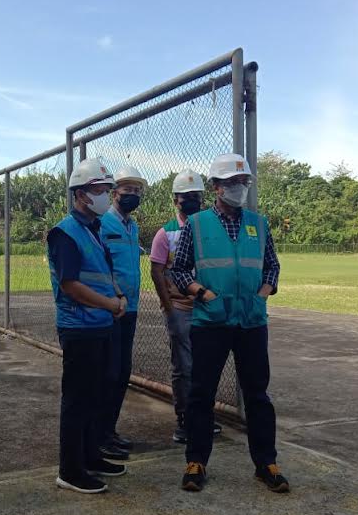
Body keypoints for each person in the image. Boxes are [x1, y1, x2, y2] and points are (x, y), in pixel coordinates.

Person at [170, 153, 288, 494]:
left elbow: (271, 267)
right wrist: (203, 294)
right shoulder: (197, 224)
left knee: (258, 395)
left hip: (251, 321)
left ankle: (266, 462)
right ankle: (196, 462)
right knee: (201, 394)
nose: (240, 188)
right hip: (210, 321)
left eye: (244, 182)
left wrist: (262, 295)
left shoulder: (258, 223)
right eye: (233, 183)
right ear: (216, 187)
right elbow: (178, 270)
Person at [47, 158, 128, 494]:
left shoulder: (92, 230)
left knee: (95, 395)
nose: (106, 196)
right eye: (99, 190)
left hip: (99, 323)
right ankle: (70, 469)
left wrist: (118, 294)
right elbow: (70, 284)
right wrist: (110, 304)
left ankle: (90, 456)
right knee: (78, 399)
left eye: (107, 190)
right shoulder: (65, 233)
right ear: (80, 194)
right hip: (80, 327)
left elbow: (103, 273)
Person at [150, 169, 222, 443]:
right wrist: (168, 307)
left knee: (206, 365)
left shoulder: (209, 229)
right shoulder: (165, 234)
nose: (191, 201)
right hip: (180, 309)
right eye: (185, 197)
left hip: (206, 307)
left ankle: (203, 415)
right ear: (175, 199)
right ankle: (184, 420)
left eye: (195, 196)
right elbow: (157, 272)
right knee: (184, 366)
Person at [97, 165, 146, 459]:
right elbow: (101, 266)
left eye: (137, 191)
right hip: (111, 309)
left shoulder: (132, 226)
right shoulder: (104, 224)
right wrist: (113, 297)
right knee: (108, 373)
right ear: (115, 193)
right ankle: (99, 435)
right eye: (127, 190)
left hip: (132, 309)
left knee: (122, 373)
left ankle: (109, 431)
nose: (132, 195)